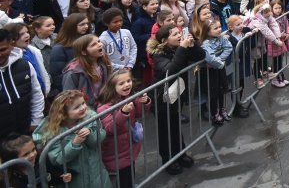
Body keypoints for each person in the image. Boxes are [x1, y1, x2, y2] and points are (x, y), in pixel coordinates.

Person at [146, 24, 203, 175]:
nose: (179, 36)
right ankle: (168, 160)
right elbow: (169, 70)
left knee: (176, 126)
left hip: (177, 94)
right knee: (165, 129)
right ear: (164, 40)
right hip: (161, 98)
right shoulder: (158, 54)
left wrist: (192, 45)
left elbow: (200, 56)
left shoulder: (179, 48)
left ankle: (180, 154)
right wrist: (182, 49)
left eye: (179, 33)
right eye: (174, 34)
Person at [32, 90, 111, 188]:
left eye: (83, 103)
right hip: (75, 180)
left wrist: (90, 133)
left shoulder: (90, 116)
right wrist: (75, 144)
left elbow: (98, 139)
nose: (83, 108)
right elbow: (57, 159)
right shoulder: (52, 131)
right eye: (77, 107)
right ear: (63, 113)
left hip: (96, 174)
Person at [96, 69, 151, 188]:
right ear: (112, 87)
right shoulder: (104, 107)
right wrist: (122, 112)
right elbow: (109, 129)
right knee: (122, 179)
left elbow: (139, 114)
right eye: (121, 83)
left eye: (128, 81)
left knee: (130, 173)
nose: (127, 85)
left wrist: (144, 102)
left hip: (129, 147)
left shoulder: (129, 97)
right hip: (116, 151)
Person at [0, 29, 45, 139]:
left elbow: (36, 94)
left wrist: (36, 121)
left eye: (3, 49)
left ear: (11, 45)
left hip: (25, 129)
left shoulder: (25, 65)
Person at [61, 34, 112, 108]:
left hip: (102, 104)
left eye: (99, 41)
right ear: (84, 52)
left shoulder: (103, 63)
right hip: (85, 109)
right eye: (94, 44)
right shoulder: (73, 72)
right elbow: (68, 96)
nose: (100, 45)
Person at [199, 19, 233, 126]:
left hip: (219, 68)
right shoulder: (206, 43)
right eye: (215, 28)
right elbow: (210, 57)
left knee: (222, 89)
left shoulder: (221, 38)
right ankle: (215, 114)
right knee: (213, 93)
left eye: (219, 27)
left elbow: (228, 47)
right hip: (210, 72)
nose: (219, 30)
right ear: (207, 31)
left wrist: (220, 61)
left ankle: (222, 109)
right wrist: (218, 62)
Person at [48, 13, 91, 97]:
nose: (86, 26)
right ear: (72, 26)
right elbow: (57, 76)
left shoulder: (88, 42)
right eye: (82, 24)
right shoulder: (59, 49)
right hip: (74, 91)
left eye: (87, 23)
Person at [4, 22, 50, 98]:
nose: (27, 35)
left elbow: (41, 72)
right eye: (21, 34)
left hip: (42, 93)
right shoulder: (12, 60)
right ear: (11, 38)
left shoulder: (32, 52)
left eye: (27, 32)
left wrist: (45, 88)